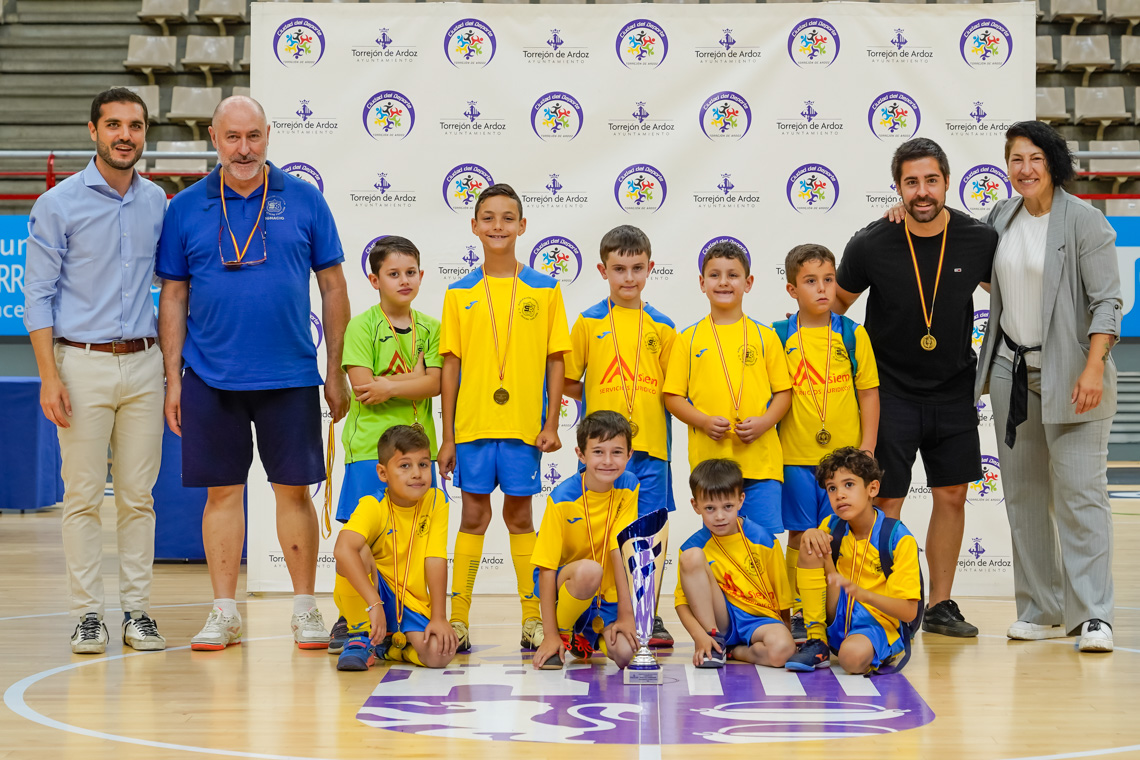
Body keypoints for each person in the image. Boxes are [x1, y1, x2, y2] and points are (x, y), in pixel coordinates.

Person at [156, 95, 351, 651]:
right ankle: (224, 611)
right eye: (232, 137)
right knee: (222, 494)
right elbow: (174, 293)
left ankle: (305, 608)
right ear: (214, 138)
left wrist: (334, 370)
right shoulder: (186, 207)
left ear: (269, 135)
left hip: (289, 375)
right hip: (210, 376)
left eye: (254, 137)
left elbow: (333, 286)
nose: (244, 149)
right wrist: (174, 378)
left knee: (294, 493)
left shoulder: (305, 198)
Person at [23, 88, 168, 654]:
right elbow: (36, 296)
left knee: (138, 497)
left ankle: (137, 612)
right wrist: (49, 376)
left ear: (144, 133)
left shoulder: (159, 201)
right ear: (93, 131)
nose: (125, 135)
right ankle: (88, 615)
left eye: (134, 125)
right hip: (78, 364)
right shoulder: (58, 204)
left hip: (145, 363)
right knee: (81, 496)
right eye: (114, 125)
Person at [835, 137, 996, 638]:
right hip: (891, 391)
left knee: (952, 495)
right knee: (886, 501)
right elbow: (834, 307)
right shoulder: (872, 241)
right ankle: (878, 604)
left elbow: (1016, 293)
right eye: (911, 182)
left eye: (931, 180)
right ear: (898, 187)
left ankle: (941, 605)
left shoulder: (978, 239)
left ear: (947, 182)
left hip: (954, 389)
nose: (922, 192)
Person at [974, 121, 1121, 652]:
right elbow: (987, 271)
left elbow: (1107, 301)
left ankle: (1093, 616)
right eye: (1016, 159)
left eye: (1035, 158)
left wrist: (1093, 367)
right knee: (1025, 496)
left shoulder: (1084, 221)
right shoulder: (1001, 216)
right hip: (1011, 373)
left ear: (1053, 162)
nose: (1025, 169)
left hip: (1076, 374)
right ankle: (1040, 607)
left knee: (1081, 495)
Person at [437, 184, 572, 652]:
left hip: (522, 428)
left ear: (522, 226)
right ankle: (458, 620)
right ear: (474, 226)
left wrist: (551, 422)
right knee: (472, 517)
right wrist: (447, 435)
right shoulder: (459, 293)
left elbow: (557, 359)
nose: (498, 226)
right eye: (488, 218)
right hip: (473, 427)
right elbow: (449, 366)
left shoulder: (545, 288)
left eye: (507, 218)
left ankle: (533, 620)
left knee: (520, 517)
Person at [563, 224, 677, 647]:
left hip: (650, 448)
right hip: (605, 454)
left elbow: (673, 388)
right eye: (619, 269)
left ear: (650, 269)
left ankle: (650, 613)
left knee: (647, 537)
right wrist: (595, 396)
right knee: (602, 531)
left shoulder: (663, 326)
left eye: (637, 268)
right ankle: (594, 611)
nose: (628, 278)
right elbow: (569, 379)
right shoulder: (589, 323)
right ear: (602, 270)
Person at [329, 235, 442, 654]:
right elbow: (362, 388)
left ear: (421, 275)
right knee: (359, 539)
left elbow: (435, 383)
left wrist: (390, 383)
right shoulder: (361, 326)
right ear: (374, 279)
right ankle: (351, 617)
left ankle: (410, 615)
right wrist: (411, 381)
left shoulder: (431, 327)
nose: (404, 280)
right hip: (369, 452)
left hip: (416, 454)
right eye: (393, 274)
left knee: (414, 538)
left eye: (410, 272)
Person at [773, 244, 880, 643]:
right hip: (795, 458)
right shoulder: (778, 335)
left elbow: (868, 392)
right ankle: (799, 611)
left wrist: (866, 448)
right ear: (791, 289)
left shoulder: (853, 335)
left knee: (840, 536)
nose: (822, 289)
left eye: (829, 280)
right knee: (801, 537)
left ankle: (840, 612)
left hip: (845, 464)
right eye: (811, 281)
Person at [663, 241, 792, 537]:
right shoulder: (688, 338)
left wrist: (764, 423)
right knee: (721, 544)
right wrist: (703, 422)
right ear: (701, 283)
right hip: (712, 467)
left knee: (763, 543)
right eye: (715, 275)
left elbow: (784, 393)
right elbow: (672, 397)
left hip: (761, 464)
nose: (723, 282)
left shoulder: (765, 336)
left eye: (733, 275)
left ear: (748, 283)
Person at [331, 426, 457, 670]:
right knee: (356, 550)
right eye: (405, 466)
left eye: (423, 464)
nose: (417, 474)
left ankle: (387, 649)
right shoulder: (372, 505)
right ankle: (358, 634)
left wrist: (440, 617)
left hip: (410, 602)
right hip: (375, 594)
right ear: (382, 472)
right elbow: (342, 550)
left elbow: (435, 557)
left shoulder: (436, 501)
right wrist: (373, 603)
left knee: (439, 655)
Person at [786, 447, 921, 674]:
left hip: (877, 622)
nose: (839, 494)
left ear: (872, 488)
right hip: (837, 615)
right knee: (810, 542)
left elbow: (909, 612)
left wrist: (865, 595)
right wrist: (822, 551)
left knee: (850, 659)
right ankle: (817, 640)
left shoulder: (897, 538)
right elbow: (812, 584)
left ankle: (881, 649)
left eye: (849, 485)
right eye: (832, 488)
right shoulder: (831, 525)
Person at [530, 411, 640, 670]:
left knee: (625, 654)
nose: (608, 461)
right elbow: (546, 568)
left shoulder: (629, 486)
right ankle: (564, 632)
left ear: (629, 455)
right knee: (591, 570)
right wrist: (550, 635)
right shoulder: (561, 498)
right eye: (598, 452)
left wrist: (626, 615)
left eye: (617, 452)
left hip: (607, 596)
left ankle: (590, 637)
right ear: (581, 455)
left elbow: (619, 549)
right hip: (568, 585)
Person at [675, 459, 796, 669]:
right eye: (710, 508)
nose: (720, 516)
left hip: (759, 619)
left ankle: (734, 652)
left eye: (728, 507)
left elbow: (782, 595)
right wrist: (699, 636)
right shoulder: (692, 547)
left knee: (782, 651)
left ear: (741, 500)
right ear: (695, 506)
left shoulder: (763, 539)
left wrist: (785, 632)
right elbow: (682, 603)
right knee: (691, 557)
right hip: (719, 621)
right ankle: (714, 642)